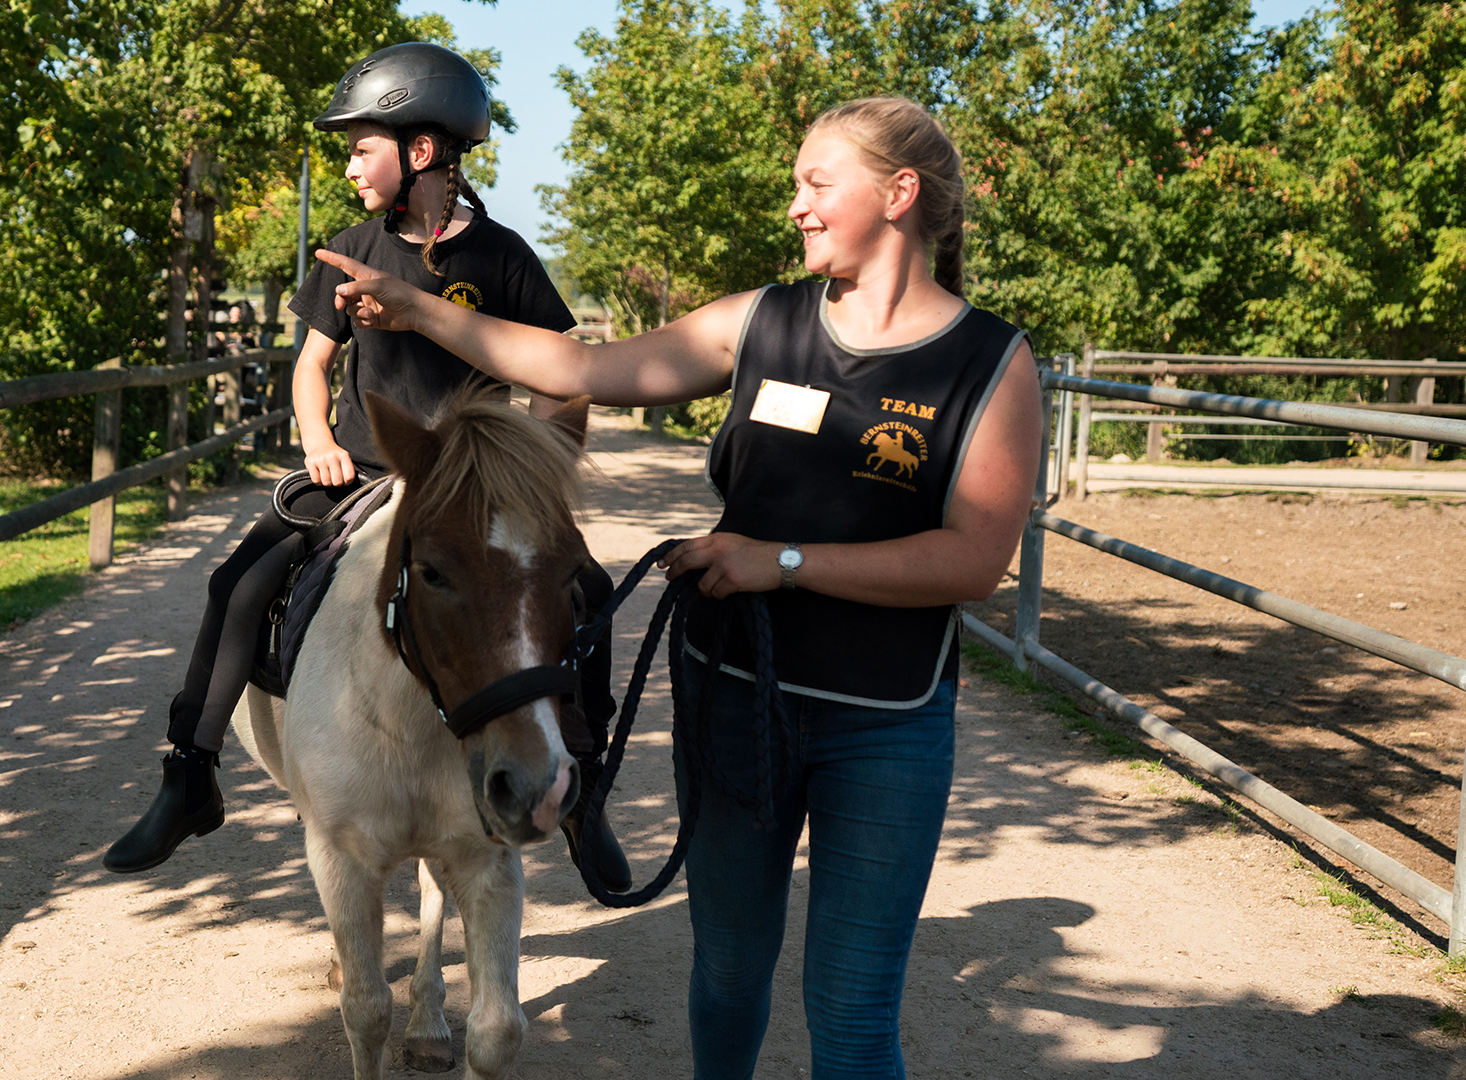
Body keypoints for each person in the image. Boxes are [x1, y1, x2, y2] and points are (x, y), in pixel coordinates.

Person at [315, 96, 1042, 1078]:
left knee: (854, 1008)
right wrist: (411, 309)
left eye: (817, 182)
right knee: (730, 974)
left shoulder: (989, 363)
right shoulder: (763, 321)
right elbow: (577, 366)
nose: (797, 206)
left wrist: (779, 563)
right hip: (735, 697)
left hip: (884, 721)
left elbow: (973, 562)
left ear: (899, 193)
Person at [105, 42, 633, 893]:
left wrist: (528, 469)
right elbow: (311, 366)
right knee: (237, 584)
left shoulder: (503, 259)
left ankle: (584, 791)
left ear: (419, 152)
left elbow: (562, 377)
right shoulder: (349, 246)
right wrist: (317, 439)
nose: (349, 164)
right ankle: (189, 771)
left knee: (588, 594)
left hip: (467, 491)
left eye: (361, 146)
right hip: (355, 472)